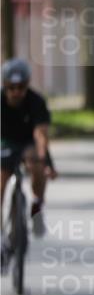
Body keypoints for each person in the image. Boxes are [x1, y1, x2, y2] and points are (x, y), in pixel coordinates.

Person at [1, 58, 56, 242]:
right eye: (11, 87)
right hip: (5, 143)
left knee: (37, 166)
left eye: (21, 87)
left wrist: (46, 161)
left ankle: (37, 208)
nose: (16, 92)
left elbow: (41, 135)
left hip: (28, 143)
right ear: (5, 86)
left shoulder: (36, 101)